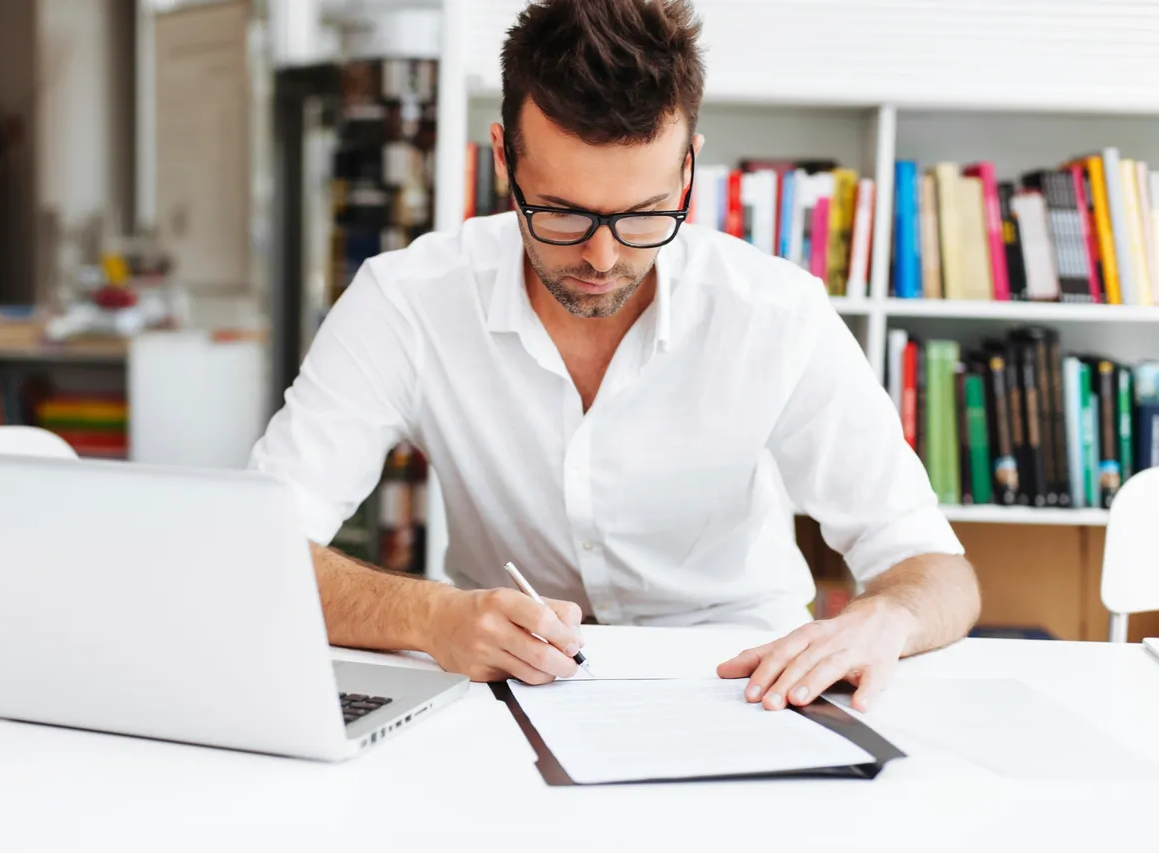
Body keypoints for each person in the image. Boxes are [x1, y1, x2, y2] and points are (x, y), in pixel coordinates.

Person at [249, 0, 980, 712]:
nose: (603, 257)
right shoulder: (407, 301)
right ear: (505, 159)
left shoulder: (776, 313)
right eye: (563, 213)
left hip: (741, 691)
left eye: (642, 214)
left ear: (689, 168)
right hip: (504, 692)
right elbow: (257, 546)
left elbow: (937, 570)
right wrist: (430, 617)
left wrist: (885, 619)